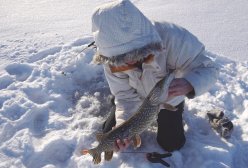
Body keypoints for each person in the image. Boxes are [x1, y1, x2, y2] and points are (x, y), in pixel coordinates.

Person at [91, 0, 219, 152]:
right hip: (135, 98)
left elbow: (209, 69)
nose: (129, 60)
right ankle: (116, 110)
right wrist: (123, 124)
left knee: (172, 144)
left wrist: (190, 83)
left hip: (168, 99)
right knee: (109, 134)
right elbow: (125, 96)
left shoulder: (173, 37)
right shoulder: (110, 57)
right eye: (122, 57)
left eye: (133, 52)